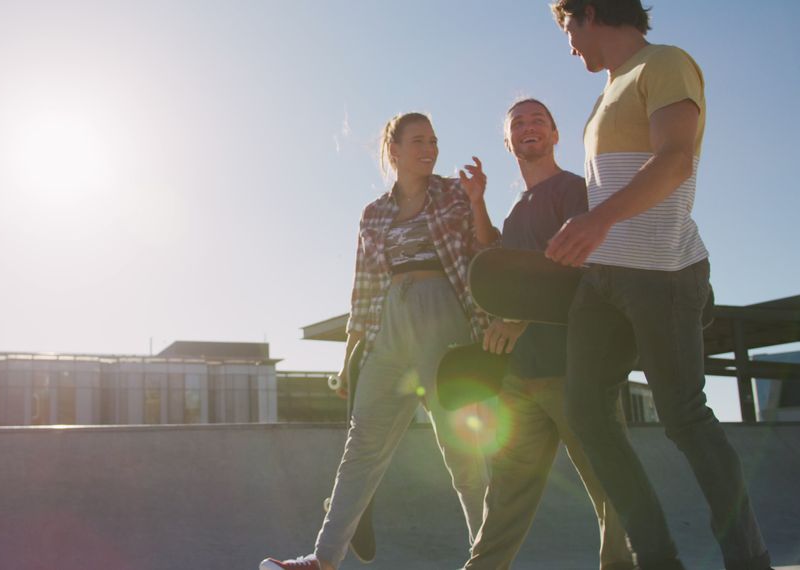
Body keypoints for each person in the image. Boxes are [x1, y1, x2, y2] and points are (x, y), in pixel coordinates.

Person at [545, 2, 772, 569]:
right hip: (604, 280)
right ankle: (657, 559)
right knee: (586, 411)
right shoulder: (604, 95)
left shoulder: (663, 64)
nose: (568, 44)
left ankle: (749, 560)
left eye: (567, 27)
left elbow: (674, 161)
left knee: (684, 416)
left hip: (663, 274)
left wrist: (598, 221)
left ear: (589, 13)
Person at [261, 112, 499, 570]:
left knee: (461, 451)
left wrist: (479, 202)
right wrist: (352, 358)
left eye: (433, 140)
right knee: (361, 446)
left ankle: (489, 559)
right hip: (388, 330)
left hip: (444, 323)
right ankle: (324, 559)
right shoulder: (374, 213)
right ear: (394, 150)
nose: (429, 148)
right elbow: (364, 287)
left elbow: (486, 250)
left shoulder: (454, 193)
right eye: (417, 141)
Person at [463, 98, 634, 570]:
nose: (528, 126)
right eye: (518, 122)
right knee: (503, 505)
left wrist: (520, 317)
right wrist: (478, 202)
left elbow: (584, 270)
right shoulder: (519, 212)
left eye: (538, 119)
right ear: (508, 142)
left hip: (575, 371)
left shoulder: (574, 192)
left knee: (613, 490)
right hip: (523, 381)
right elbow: (494, 258)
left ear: (556, 135)